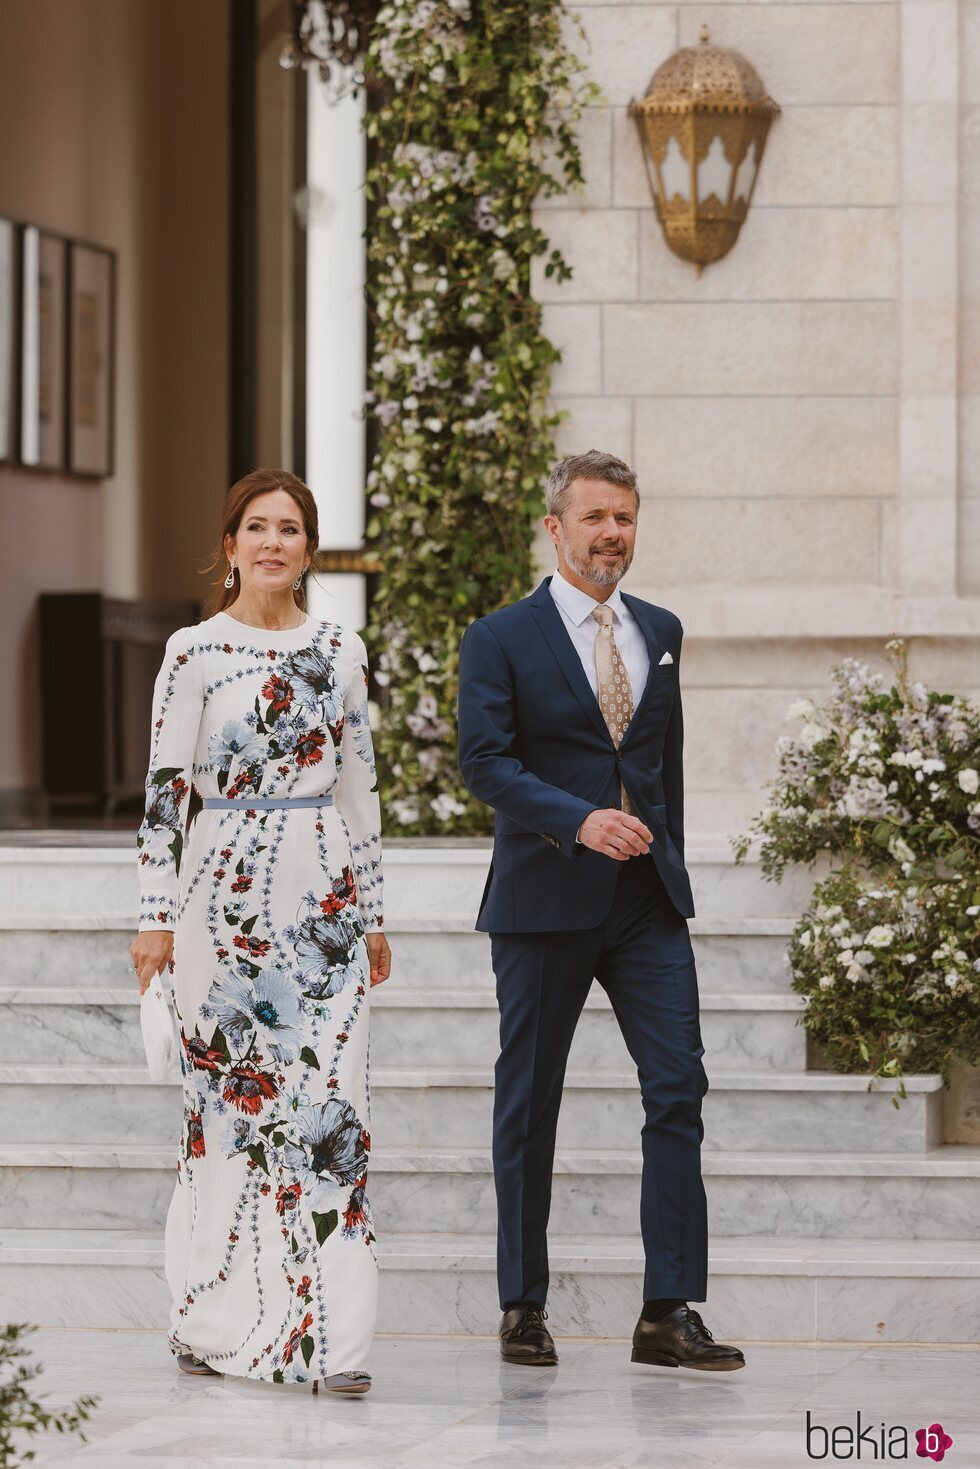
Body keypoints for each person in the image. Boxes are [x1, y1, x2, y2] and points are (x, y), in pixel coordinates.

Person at [457, 449, 744, 1373]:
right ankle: (522, 1307)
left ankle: (669, 1310)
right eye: (594, 517)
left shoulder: (660, 628)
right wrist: (579, 821)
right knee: (530, 1105)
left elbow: (665, 766)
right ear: (556, 526)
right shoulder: (499, 637)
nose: (612, 532)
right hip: (544, 899)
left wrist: (666, 857)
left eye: (624, 516)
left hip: (645, 902)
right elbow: (486, 764)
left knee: (677, 1088)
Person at [129, 468, 391, 1394]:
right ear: (230, 544)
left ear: (309, 550)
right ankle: (210, 1319)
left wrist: (372, 913)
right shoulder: (193, 652)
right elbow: (166, 793)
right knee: (228, 1114)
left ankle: (334, 1340)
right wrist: (154, 917)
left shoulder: (341, 649)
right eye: (258, 527)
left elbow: (359, 787)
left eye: (291, 529)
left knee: (331, 1108)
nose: (275, 542)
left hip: (321, 901)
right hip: (221, 901)